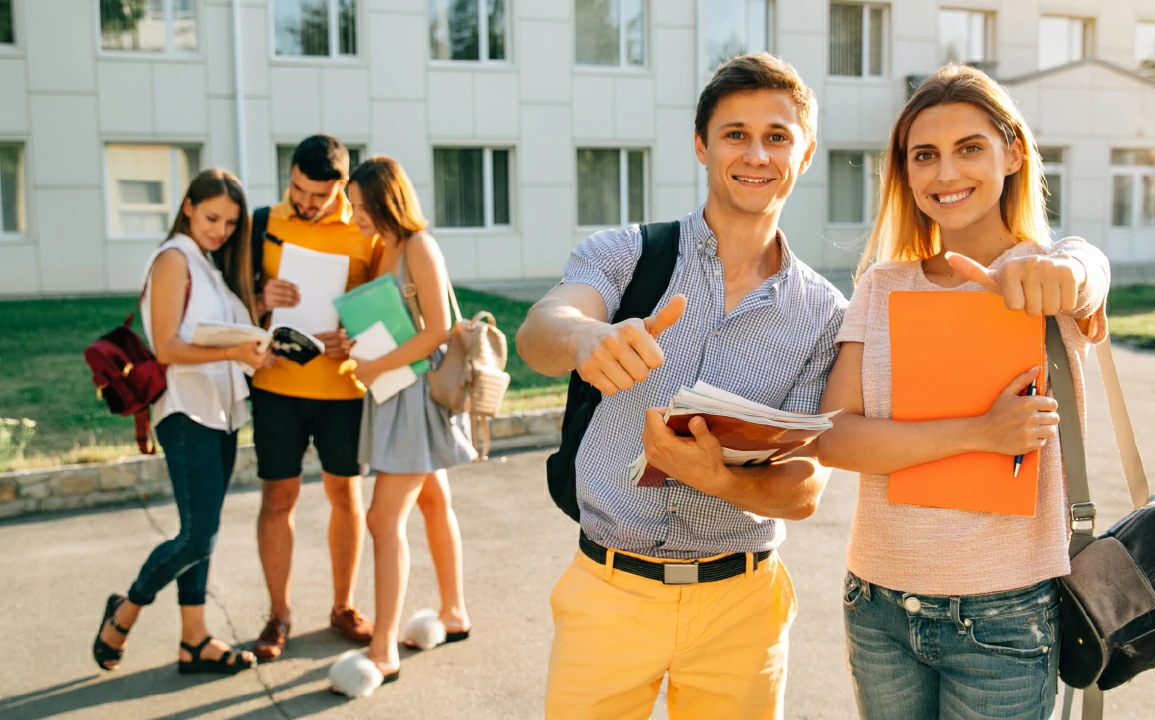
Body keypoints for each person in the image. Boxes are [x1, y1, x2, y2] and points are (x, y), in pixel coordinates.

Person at [516, 53, 847, 719]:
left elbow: (805, 488)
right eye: (735, 134)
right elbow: (541, 328)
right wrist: (584, 339)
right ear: (701, 145)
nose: (756, 153)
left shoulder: (823, 313)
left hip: (742, 608)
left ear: (804, 154)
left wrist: (720, 479)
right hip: (610, 593)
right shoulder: (629, 253)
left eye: (777, 136)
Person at [814, 64, 1111, 720]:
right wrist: (980, 432)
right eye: (926, 156)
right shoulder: (882, 286)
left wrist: (1072, 265)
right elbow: (834, 438)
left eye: (969, 148)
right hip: (878, 604)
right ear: (906, 172)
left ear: (1012, 153)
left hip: (1003, 614)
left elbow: (1090, 275)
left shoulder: (1047, 277)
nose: (946, 174)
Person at [92, 169, 269, 674]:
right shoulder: (173, 258)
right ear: (188, 206)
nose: (221, 230)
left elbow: (216, 330)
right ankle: (124, 612)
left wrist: (260, 315)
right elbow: (167, 346)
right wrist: (240, 349)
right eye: (212, 217)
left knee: (203, 529)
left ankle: (194, 641)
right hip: (187, 412)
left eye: (231, 224)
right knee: (198, 536)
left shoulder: (208, 264)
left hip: (222, 410)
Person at [328, 155, 476, 693]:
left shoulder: (417, 245)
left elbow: (437, 330)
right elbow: (394, 323)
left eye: (361, 206)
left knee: (381, 519)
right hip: (396, 392)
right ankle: (454, 611)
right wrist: (357, 346)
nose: (355, 215)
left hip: (413, 396)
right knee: (434, 501)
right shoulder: (383, 249)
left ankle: (384, 646)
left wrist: (372, 365)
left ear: (386, 202)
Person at [250, 135, 383, 661]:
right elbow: (232, 299)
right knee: (277, 500)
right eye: (299, 191)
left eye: (319, 197)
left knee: (345, 496)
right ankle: (278, 614)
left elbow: (382, 309)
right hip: (275, 387)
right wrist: (261, 299)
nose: (306, 204)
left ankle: (344, 606)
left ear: (342, 189)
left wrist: (353, 335)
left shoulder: (364, 229)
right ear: (290, 176)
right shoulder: (263, 222)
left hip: (342, 387)